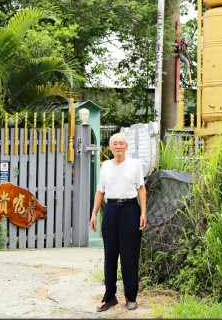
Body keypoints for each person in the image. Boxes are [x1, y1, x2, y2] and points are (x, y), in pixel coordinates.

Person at [89, 133, 147, 312]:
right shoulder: (105, 166)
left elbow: (141, 188)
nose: (118, 146)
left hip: (130, 209)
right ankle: (109, 296)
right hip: (111, 210)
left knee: (130, 255)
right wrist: (94, 214)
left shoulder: (135, 165)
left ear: (126, 146)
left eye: (121, 143)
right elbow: (100, 191)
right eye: (115, 144)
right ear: (110, 147)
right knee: (110, 255)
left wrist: (143, 212)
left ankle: (131, 297)